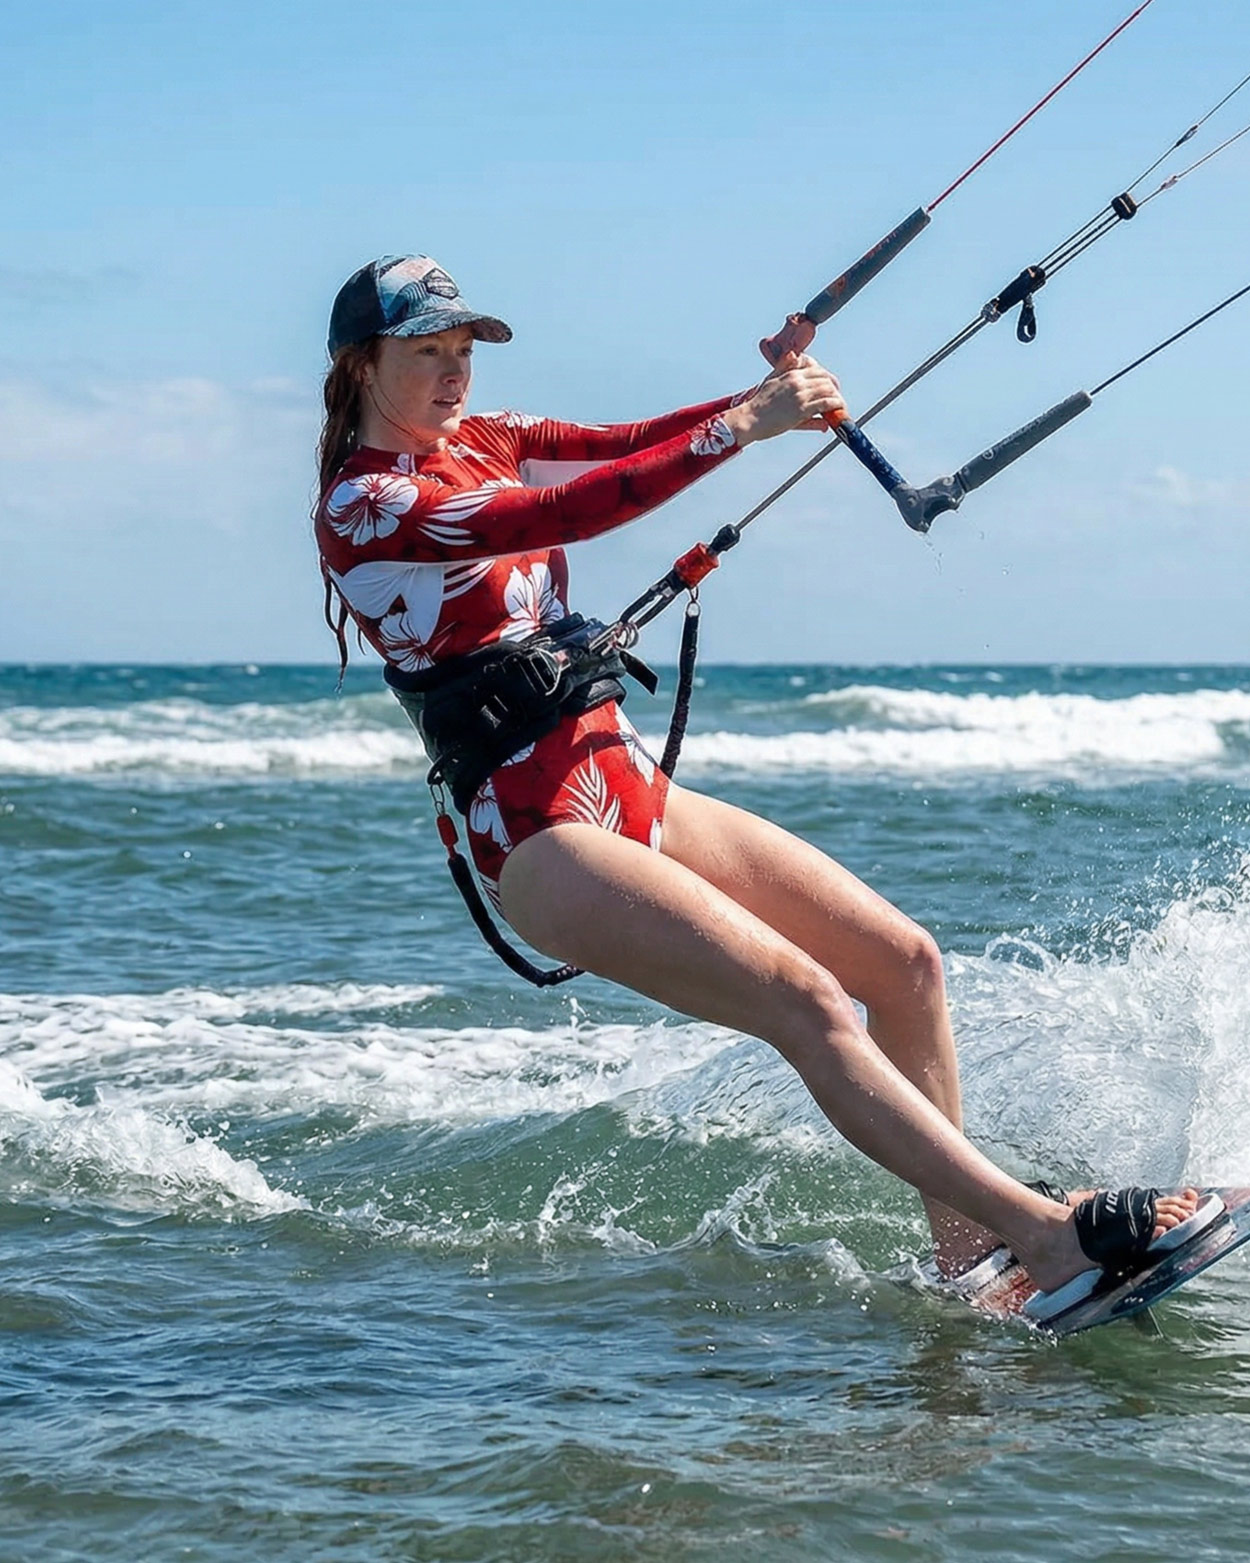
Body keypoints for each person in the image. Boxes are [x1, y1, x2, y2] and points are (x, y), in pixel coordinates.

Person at [314, 253, 1203, 1316]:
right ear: (362, 366)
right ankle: (1049, 1236)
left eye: (463, 350)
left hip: (619, 781)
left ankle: (971, 1261)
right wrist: (745, 427)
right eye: (428, 355)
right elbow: (573, 513)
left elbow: (616, 446)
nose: (454, 375)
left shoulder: (482, 440)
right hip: (537, 836)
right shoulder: (363, 505)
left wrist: (757, 399)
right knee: (808, 1002)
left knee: (904, 965)